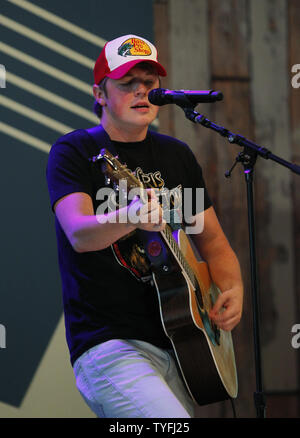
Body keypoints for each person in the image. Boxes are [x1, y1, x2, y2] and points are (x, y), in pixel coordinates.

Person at [46, 34, 243, 418]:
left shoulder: (176, 155)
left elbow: (214, 243)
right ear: (100, 93)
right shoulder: (75, 152)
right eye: (126, 84)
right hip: (110, 344)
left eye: (149, 84)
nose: (141, 92)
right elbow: (80, 235)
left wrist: (233, 289)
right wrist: (130, 216)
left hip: (183, 343)